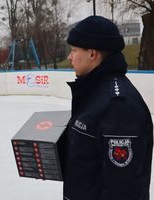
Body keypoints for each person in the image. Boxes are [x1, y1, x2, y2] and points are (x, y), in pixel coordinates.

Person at [57, 16, 153, 200]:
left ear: (92, 54)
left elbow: (123, 189)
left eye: (74, 50)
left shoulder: (118, 106)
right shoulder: (93, 93)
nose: (70, 57)